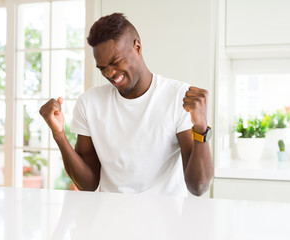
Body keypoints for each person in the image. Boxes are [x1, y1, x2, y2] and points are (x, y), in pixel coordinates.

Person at [40, 13, 213, 196]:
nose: (109, 73)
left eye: (116, 62)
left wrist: (201, 128)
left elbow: (198, 187)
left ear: (137, 47)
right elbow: (88, 185)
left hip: (165, 220)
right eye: (102, 68)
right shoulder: (90, 103)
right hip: (110, 218)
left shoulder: (179, 97)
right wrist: (59, 134)